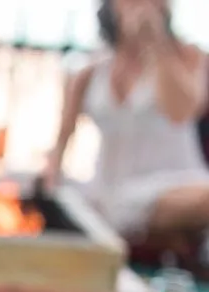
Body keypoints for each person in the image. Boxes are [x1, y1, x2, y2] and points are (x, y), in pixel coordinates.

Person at [43, 0, 209, 258]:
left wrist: (157, 45)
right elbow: (61, 143)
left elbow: (182, 112)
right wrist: (49, 186)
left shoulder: (188, 56)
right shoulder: (89, 73)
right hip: (108, 191)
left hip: (174, 189)